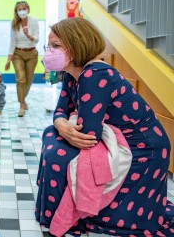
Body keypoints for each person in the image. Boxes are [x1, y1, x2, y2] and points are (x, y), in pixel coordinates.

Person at [35, 17, 173, 236]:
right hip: (117, 139)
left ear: (75, 46)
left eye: (56, 46)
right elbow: (60, 111)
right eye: (48, 46)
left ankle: (67, 214)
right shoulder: (72, 74)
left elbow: (88, 135)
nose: (49, 52)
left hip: (143, 149)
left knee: (59, 152)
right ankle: (54, 211)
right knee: (52, 135)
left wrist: (64, 126)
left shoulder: (94, 75)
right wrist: (61, 126)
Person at [5, 0, 39, 117]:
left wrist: (28, 35)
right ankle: (22, 105)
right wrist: (9, 59)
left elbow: (37, 39)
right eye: (19, 9)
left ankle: (23, 99)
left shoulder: (33, 20)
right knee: (21, 79)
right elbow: (12, 41)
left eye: (23, 9)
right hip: (18, 53)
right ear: (16, 11)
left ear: (28, 9)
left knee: (28, 80)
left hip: (32, 54)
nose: (21, 11)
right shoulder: (14, 22)